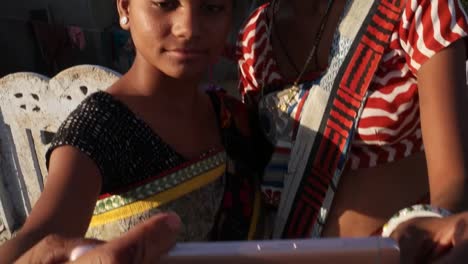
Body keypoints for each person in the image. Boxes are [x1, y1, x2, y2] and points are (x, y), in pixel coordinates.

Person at [0, 0, 270, 262]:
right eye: (165, 4)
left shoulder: (232, 117)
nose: (188, 28)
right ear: (124, 7)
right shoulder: (98, 129)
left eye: (212, 8)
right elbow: (41, 238)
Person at [236, 0, 468, 261]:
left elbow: (453, 184)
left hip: (394, 253)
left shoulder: (417, 8)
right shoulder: (255, 37)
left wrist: (428, 232)